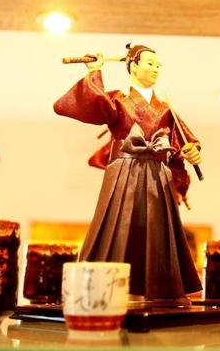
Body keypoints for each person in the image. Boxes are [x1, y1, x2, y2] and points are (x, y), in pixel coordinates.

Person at [54, 44, 202, 305]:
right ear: (133, 66)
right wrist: (95, 71)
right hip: (125, 171)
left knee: (159, 230)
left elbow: (183, 142)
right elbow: (95, 107)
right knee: (118, 226)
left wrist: (192, 152)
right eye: (150, 63)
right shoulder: (118, 100)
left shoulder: (166, 108)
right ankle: (104, 289)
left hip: (158, 174)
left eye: (158, 65)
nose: (156, 68)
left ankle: (162, 292)